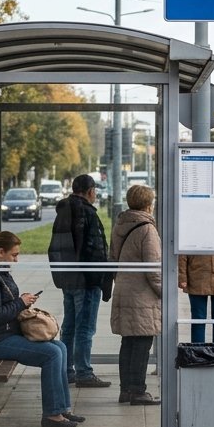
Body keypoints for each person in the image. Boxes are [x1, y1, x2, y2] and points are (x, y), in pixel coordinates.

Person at [0, 231, 83, 427]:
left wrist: (21, 301)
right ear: (0, 252)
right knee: (52, 354)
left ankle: (62, 408)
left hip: (3, 334)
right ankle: (52, 415)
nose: (17, 259)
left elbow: (2, 306)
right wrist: (20, 302)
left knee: (60, 347)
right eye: (14, 255)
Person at [49, 173, 112, 388]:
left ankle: (67, 370)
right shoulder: (87, 213)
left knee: (70, 326)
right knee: (85, 328)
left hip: (68, 278)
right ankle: (84, 372)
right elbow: (96, 250)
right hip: (86, 280)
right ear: (90, 191)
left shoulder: (63, 211)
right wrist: (102, 279)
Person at [109, 185, 162, 405]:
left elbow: (112, 258)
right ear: (149, 204)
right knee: (141, 343)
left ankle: (126, 390)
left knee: (128, 342)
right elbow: (154, 267)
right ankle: (138, 391)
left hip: (124, 290)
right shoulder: (147, 229)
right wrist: (164, 291)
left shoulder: (120, 224)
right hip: (142, 295)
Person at [178, 254, 214, 345]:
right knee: (199, 320)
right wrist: (182, 276)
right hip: (198, 277)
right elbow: (182, 253)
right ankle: (198, 351)